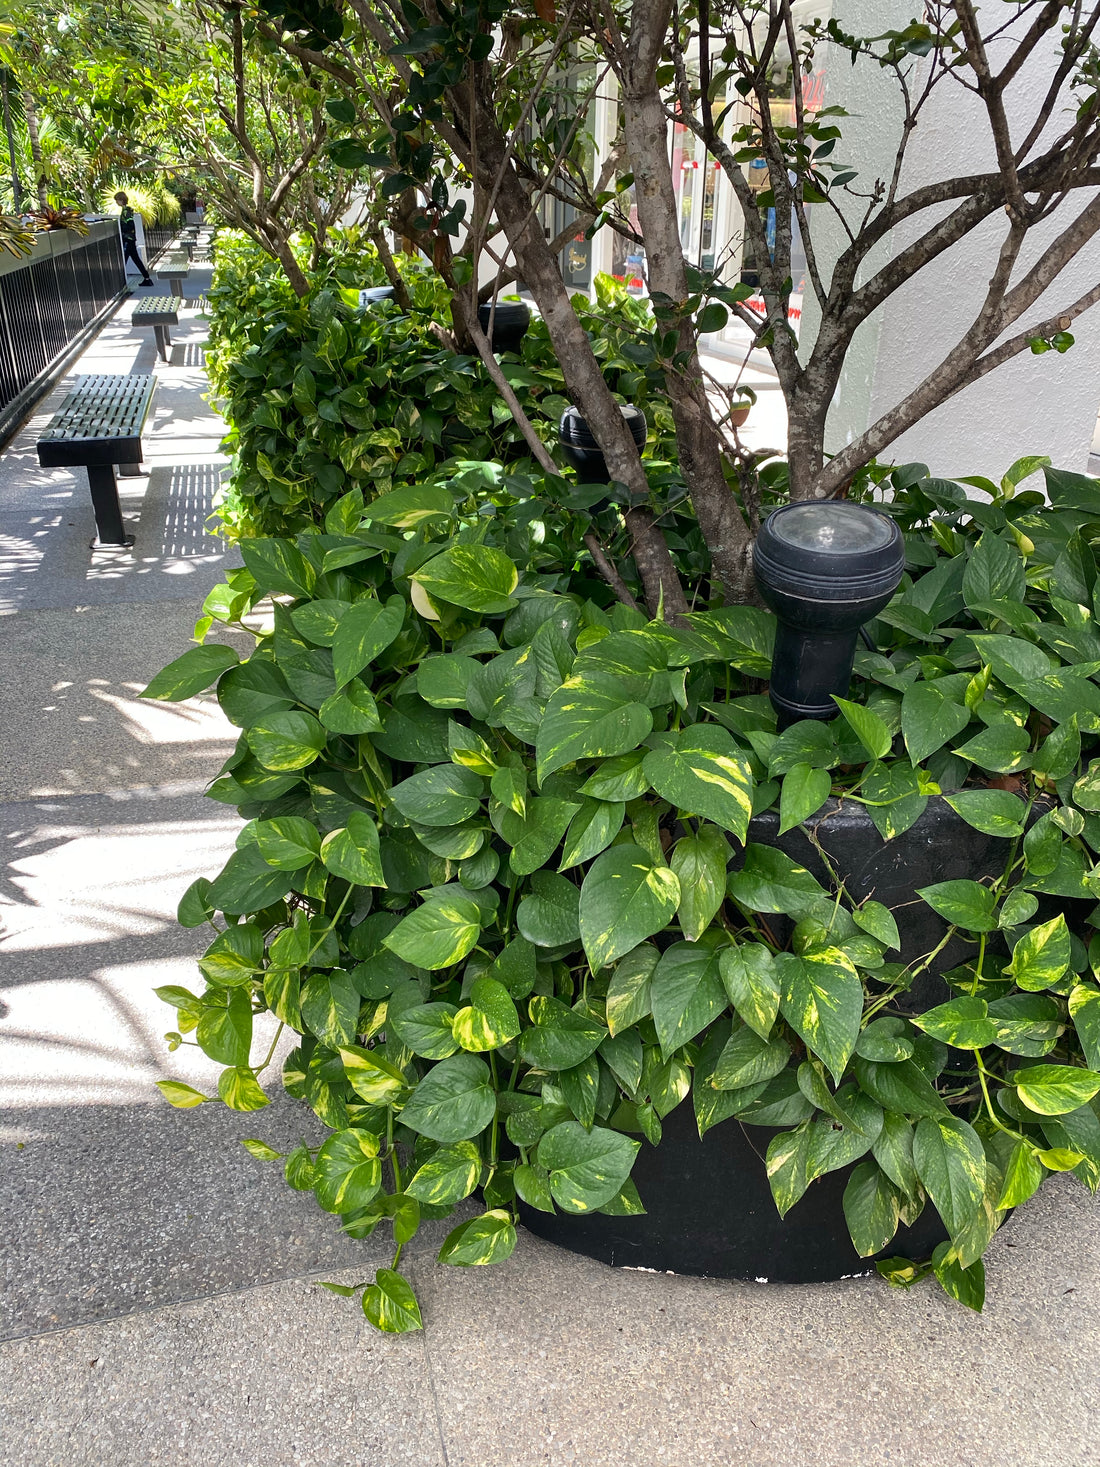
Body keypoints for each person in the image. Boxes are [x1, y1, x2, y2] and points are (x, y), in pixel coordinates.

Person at [114, 191, 153, 286]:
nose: (116, 202)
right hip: (131, 239)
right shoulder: (127, 210)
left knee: (124, 260)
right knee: (135, 259)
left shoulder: (126, 211)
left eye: (117, 200)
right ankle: (147, 278)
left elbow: (130, 224)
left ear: (121, 200)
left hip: (128, 239)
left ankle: (120, 282)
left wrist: (122, 228)